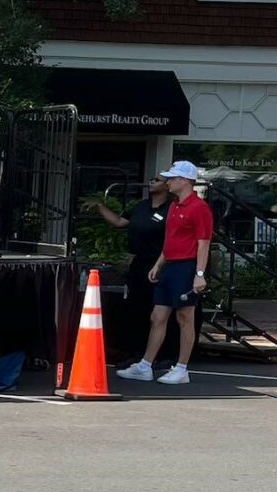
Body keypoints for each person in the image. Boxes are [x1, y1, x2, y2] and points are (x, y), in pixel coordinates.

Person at [117, 161, 213, 386]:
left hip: (186, 266)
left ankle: (181, 368)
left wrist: (199, 273)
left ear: (184, 181)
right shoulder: (174, 206)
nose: (168, 182)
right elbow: (171, 240)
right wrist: (159, 264)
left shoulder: (199, 208)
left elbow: (203, 243)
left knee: (184, 317)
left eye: (172, 178)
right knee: (157, 316)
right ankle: (145, 365)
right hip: (170, 266)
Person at [87, 173, 172, 360]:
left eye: (156, 179)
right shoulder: (140, 206)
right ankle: (136, 352)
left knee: (159, 311)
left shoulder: (171, 208)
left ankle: (162, 355)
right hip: (139, 262)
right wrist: (100, 207)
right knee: (136, 308)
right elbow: (119, 222)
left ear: (167, 186)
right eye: (151, 178)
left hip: (161, 263)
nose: (151, 181)